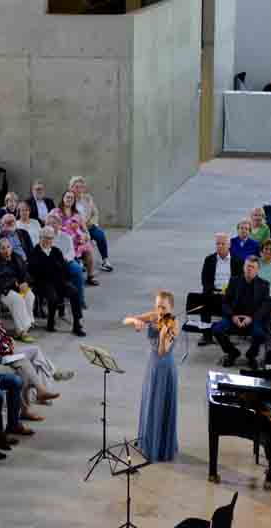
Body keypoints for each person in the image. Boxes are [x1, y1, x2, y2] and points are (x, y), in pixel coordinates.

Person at [123, 291, 179, 463]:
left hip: (165, 368)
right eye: (158, 306)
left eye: (164, 307)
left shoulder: (173, 325)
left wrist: (163, 335)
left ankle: (160, 449)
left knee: (160, 405)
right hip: (152, 367)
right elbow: (126, 319)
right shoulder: (154, 316)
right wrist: (137, 322)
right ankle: (148, 443)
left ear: (171, 307)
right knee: (150, 403)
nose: (160, 310)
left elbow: (162, 352)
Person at [0, 296, 62, 405]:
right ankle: (46, 383)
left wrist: (10, 341)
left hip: (10, 350)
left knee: (36, 351)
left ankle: (44, 386)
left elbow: (3, 334)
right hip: (1, 356)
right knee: (27, 361)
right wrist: (7, 346)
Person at [212, 257, 271, 368]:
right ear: (244, 267)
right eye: (247, 266)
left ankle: (251, 355)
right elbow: (225, 302)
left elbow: (265, 306)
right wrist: (232, 316)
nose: (249, 269)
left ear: (257, 270)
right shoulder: (234, 281)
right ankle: (232, 352)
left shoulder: (264, 284)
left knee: (261, 334)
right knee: (217, 329)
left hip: (252, 319)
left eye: (252, 267)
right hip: (234, 318)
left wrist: (252, 318)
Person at [27, 227, 85, 336]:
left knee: (74, 292)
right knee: (53, 297)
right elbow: (35, 271)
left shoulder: (56, 250)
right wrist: (52, 267)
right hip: (43, 282)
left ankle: (77, 324)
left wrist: (58, 273)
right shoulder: (34, 252)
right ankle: (50, 322)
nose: (48, 241)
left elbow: (63, 268)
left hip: (59, 281)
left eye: (51, 238)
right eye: (46, 238)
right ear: (40, 238)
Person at [0, 237, 36, 342]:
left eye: (8, 247)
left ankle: (24, 327)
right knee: (17, 300)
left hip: (18, 287)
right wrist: (14, 283)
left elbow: (26, 273)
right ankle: (22, 331)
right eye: (3, 248)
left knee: (30, 295)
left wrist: (25, 282)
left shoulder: (17, 257)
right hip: (4, 291)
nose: (6, 250)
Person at [70, 175, 113, 272]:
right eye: (76, 187)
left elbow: (95, 213)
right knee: (78, 238)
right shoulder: (69, 199)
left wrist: (92, 223)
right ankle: (79, 260)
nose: (79, 189)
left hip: (89, 225)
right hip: (75, 228)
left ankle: (105, 260)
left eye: (81, 187)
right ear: (71, 187)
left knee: (100, 234)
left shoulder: (87, 198)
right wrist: (78, 226)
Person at [57, 190, 98, 285]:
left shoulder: (77, 214)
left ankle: (90, 276)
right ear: (63, 199)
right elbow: (49, 225)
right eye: (67, 197)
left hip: (77, 242)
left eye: (71, 198)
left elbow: (85, 230)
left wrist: (86, 237)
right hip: (63, 241)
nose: (69, 199)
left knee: (88, 248)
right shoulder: (56, 212)